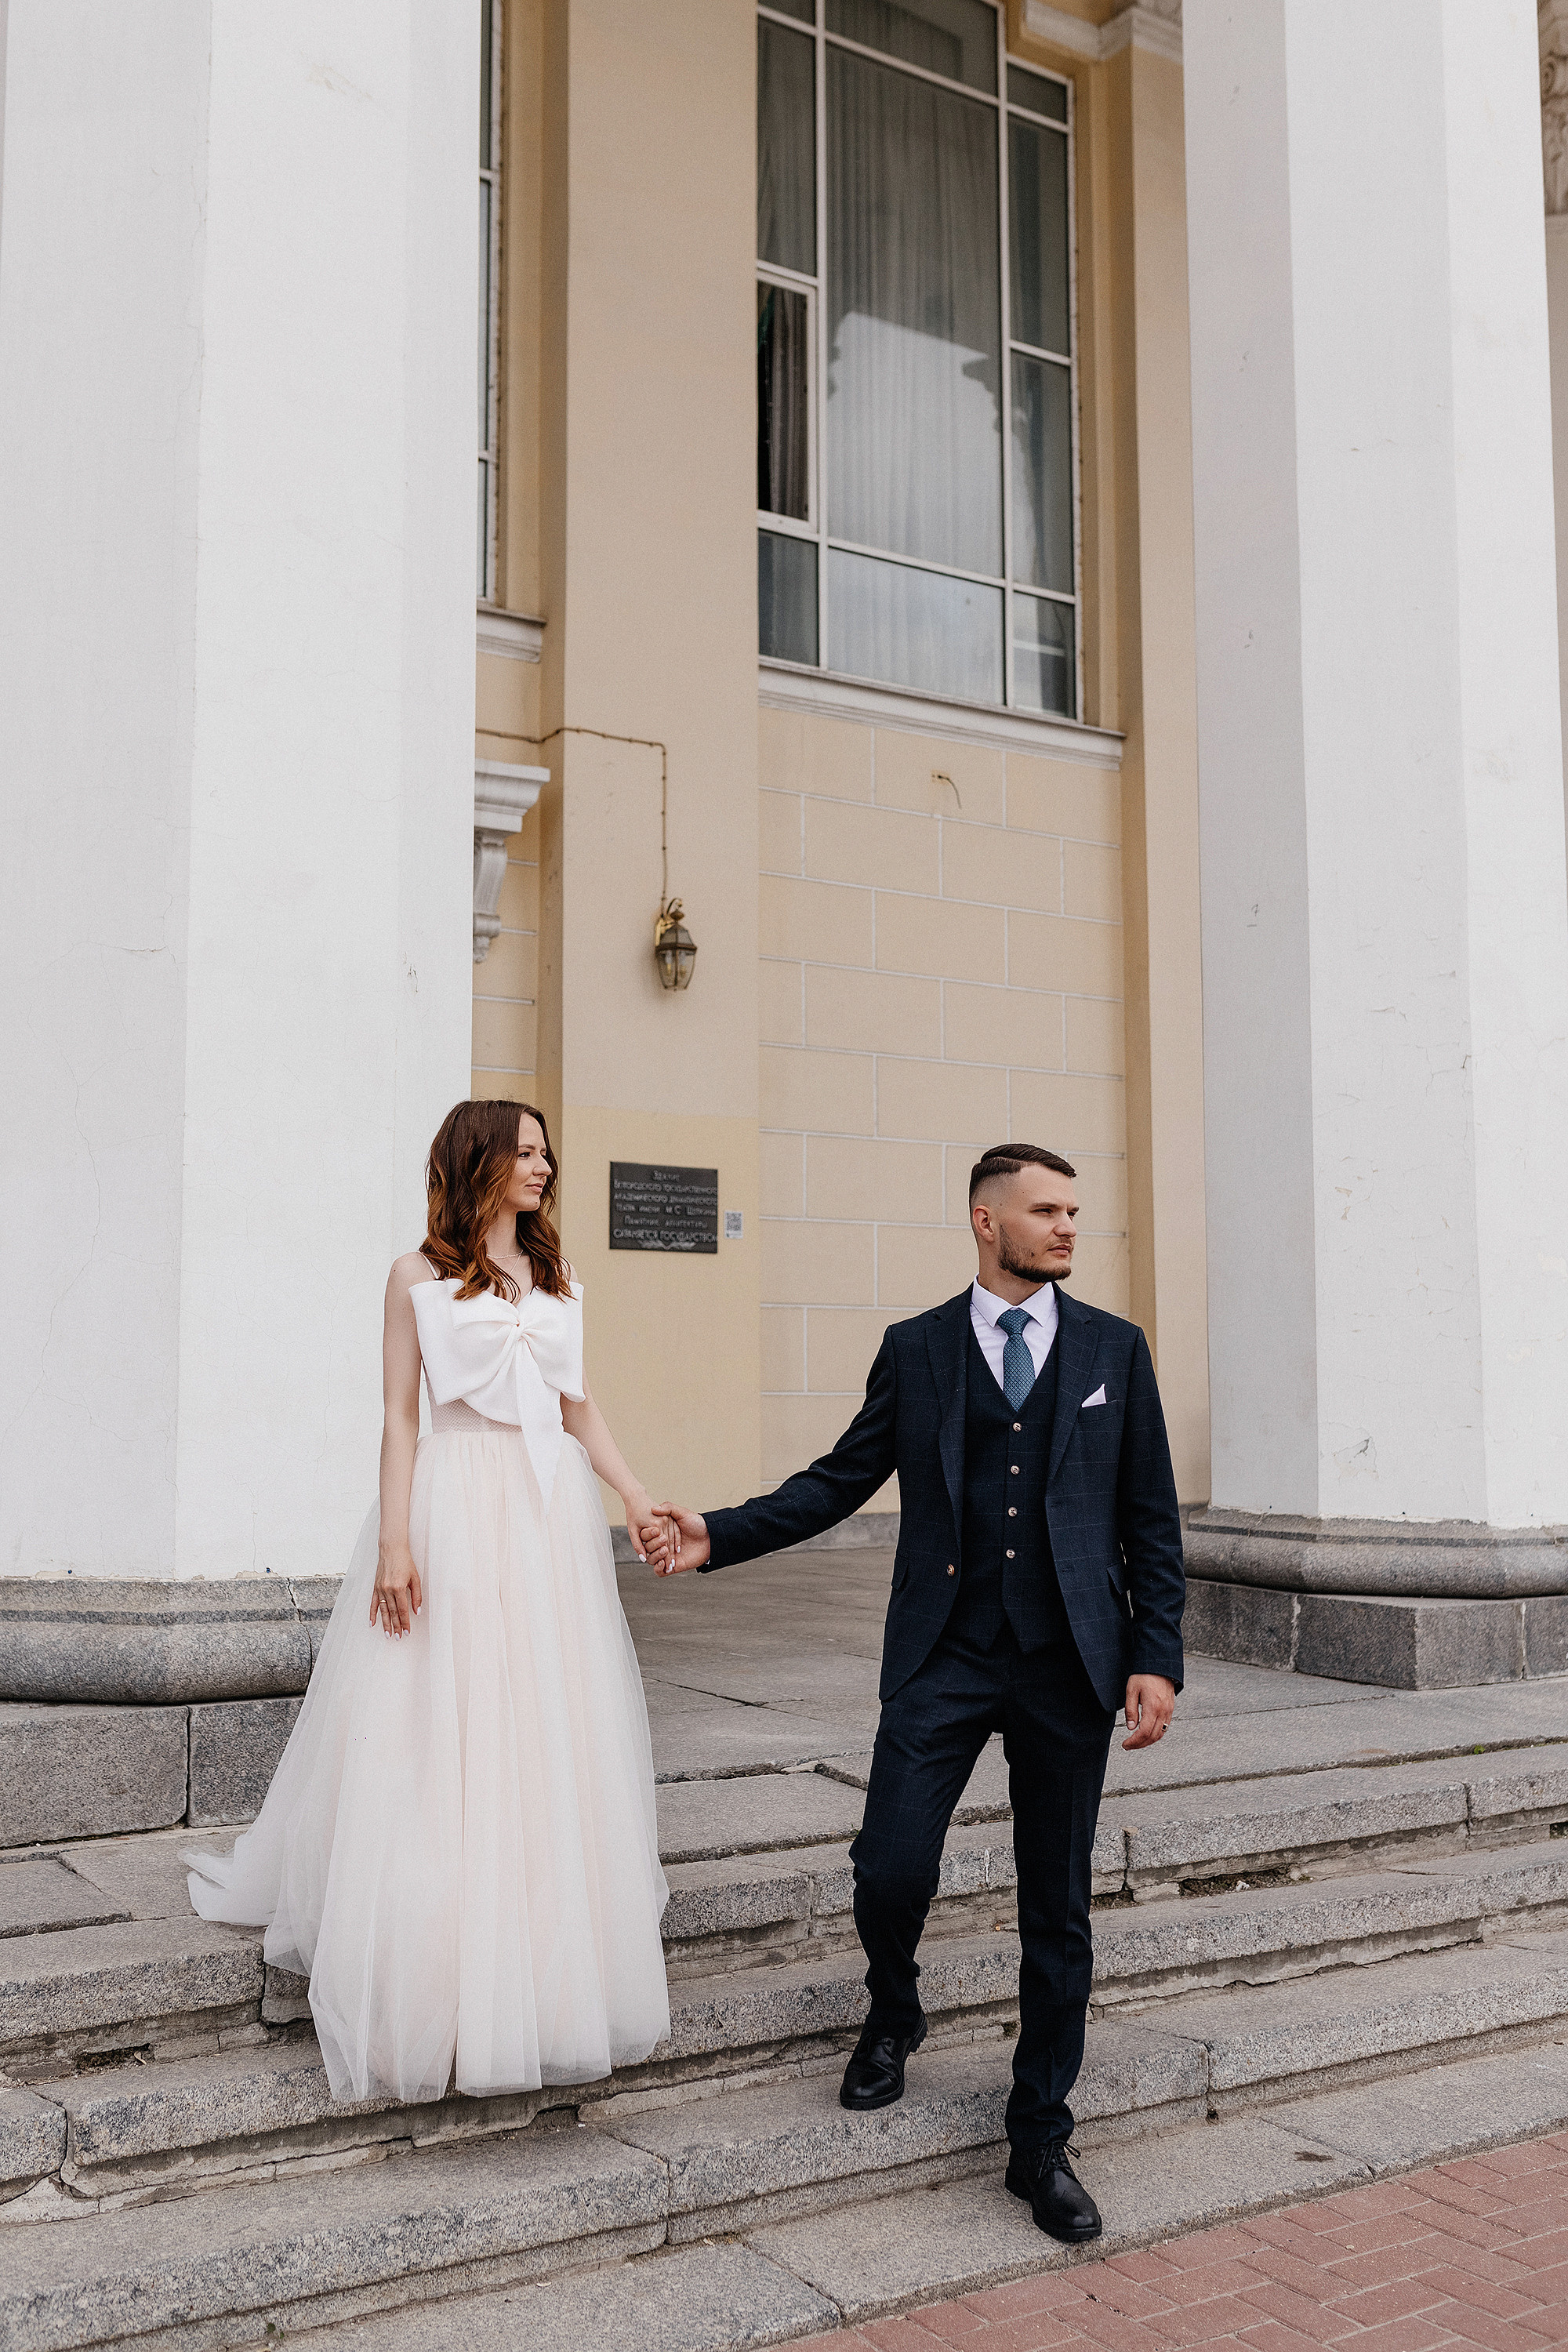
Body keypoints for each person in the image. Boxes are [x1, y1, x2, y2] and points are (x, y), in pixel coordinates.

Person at [653, 1142, 1184, 2245]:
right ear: (986, 1223)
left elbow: (1150, 1521)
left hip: (1070, 1663)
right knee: (889, 1865)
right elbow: (839, 1481)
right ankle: (895, 2009)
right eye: (1047, 1212)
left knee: (1059, 1908)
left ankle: (1039, 2136)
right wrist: (717, 1536)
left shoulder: (1113, 1352)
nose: (1069, 1229)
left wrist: (1156, 1654)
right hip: (944, 1652)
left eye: (1075, 1212)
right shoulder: (919, 1350)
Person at [187, 1100, 673, 2105]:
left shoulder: (558, 1278)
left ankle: (536, 1967)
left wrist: (629, 1494)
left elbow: (577, 1404)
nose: (544, 1166)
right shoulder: (413, 1277)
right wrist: (396, 1541)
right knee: (439, 1718)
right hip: (453, 1508)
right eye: (525, 1151)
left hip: (544, 1522)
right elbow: (399, 1420)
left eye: (547, 1153)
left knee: (540, 1722)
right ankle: (435, 1972)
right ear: (478, 1160)